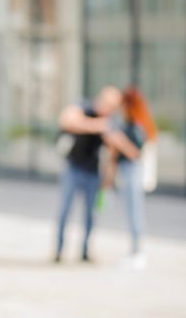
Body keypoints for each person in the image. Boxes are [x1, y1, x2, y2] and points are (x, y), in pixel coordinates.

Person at [54, 87, 137, 263]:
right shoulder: (83, 107)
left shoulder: (111, 122)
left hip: (93, 173)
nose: (110, 109)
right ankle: (59, 250)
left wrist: (107, 181)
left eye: (114, 106)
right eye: (108, 104)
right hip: (73, 168)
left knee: (91, 214)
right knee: (65, 210)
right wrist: (96, 126)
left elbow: (116, 152)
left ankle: (85, 250)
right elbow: (67, 120)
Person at [104, 86, 158, 269]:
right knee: (130, 212)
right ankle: (134, 251)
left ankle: (138, 252)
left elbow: (137, 154)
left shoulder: (137, 126)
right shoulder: (126, 124)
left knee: (135, 211)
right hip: (125, 171)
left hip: (133, 171)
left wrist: (120, 142)